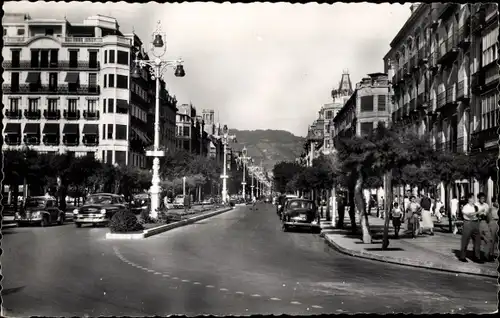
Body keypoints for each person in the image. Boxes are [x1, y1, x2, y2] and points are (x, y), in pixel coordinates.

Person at [459, 194, 482, 263]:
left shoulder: (476, 207)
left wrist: (480, 215)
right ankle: (462, 257)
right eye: (472, 198)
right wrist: (477, 212)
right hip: (468, 223)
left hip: (475, 223)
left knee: (477, 241)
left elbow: (477, 215)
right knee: (465, 240)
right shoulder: (466, 207)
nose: (474, 199)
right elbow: (469, 215)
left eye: (474, 198)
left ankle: (476, 257)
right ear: (469, 199)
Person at [476, 192, 493, 262]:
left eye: (484, 198)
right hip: (477, 222)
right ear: (479, 198)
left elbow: (489, 215)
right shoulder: (475, 205)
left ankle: (486, 255)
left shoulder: (486, 205)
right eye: (481, 198)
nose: (483, 199)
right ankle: (477, 257)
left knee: (489, 239)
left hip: (484, 223)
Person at [488, 197, 499, 262]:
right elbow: (488, 219)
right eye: (497, 202)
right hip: (493, 223)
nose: (498, 203)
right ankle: (490, 255)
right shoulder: (490, 209)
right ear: (494, 202)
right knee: (492, 240)